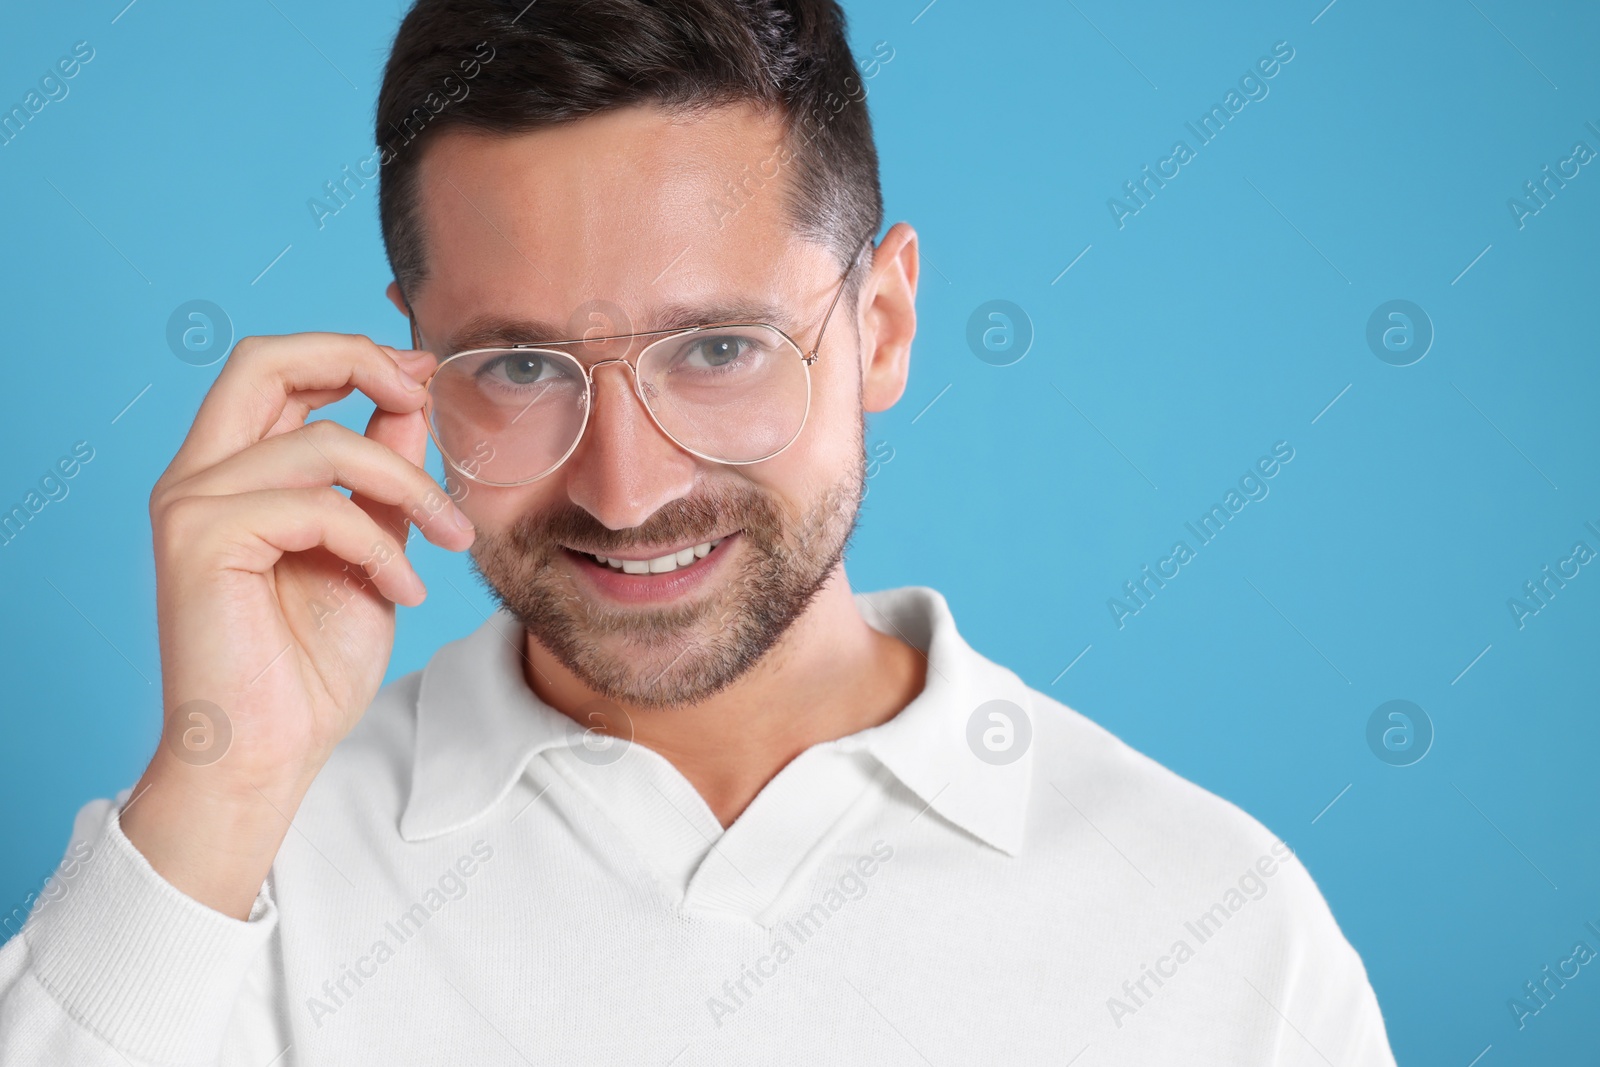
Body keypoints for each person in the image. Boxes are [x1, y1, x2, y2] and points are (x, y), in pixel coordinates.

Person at [0, 0, 1395, 1063]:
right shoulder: (224, 882)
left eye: (718, 348)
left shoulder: (1221, 932)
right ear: (411, 363)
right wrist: (223, 784)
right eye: (521, 366)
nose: (623, 489)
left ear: (886, 323)